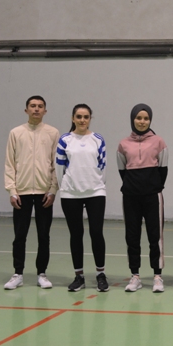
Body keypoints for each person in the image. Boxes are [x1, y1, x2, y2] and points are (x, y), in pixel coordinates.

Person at [3, 96, 61, 290]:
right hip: (22, 193)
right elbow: (10, 164)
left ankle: (41, 274)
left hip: (44, 193)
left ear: (45, 111)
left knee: (44, 236)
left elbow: (56, 164)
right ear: (26, 110)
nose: (36, 109)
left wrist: (52, 189)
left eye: (40, 106)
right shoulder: (16, 133)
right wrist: (12, 190)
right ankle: (18, 274)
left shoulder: (53, 133)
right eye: (33, 106)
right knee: (20, 235)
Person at [56, 104, 108, 293]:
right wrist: (65, 188)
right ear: (73, 118)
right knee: (76, 234)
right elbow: (59, 167)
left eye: (86, 117)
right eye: (79, 116)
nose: (82, 120)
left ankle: (100, 274)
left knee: (96, 232)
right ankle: (79, 276)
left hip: (95, 193)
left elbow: (103, 166)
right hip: (71, 194)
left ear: (90, 119)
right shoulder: (65, 140)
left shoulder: (98, 140)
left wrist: (96, 185)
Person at [117, 104, 169, 293]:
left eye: (146, 118)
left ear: (150, 120)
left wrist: (152, 185)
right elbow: (122, 170)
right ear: (133, 119)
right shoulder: (123, 144)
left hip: (152, 196)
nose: (142, 121)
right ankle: (135, 276)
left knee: (155, 236)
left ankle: (157, 276)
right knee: (132, 236)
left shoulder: (159, 142)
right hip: (130, 197)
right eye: (138, 118)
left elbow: (163, 170)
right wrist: (133, 185)